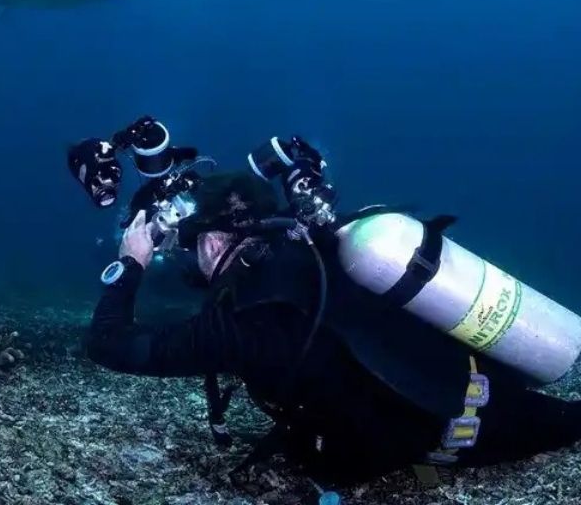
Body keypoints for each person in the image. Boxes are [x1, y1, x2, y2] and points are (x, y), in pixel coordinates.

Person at [87, 171, 581, 488]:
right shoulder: (326, 246)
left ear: (215, 242)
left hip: (438, 435)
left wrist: (130, 264)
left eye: (193, 243)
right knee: (554, 421)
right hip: (480, 385)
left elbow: (109, 343)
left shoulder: (242, 321)